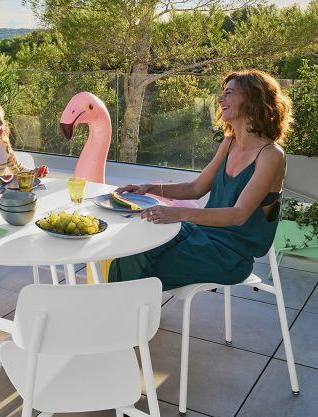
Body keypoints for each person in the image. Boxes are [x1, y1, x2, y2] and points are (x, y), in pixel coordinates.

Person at [108, 69, 291, 290]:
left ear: (253, 99)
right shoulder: (229, 142)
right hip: (199, 233)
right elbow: (196, 188)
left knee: (142, 267)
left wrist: (178, 213)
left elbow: (239, 214)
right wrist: (148, 188)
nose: (220, 99)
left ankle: (123, 317)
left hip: (230, 255)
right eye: (222, 93)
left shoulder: (271, 155)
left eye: (229, 93)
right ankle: (126, 316)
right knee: (134, 247)